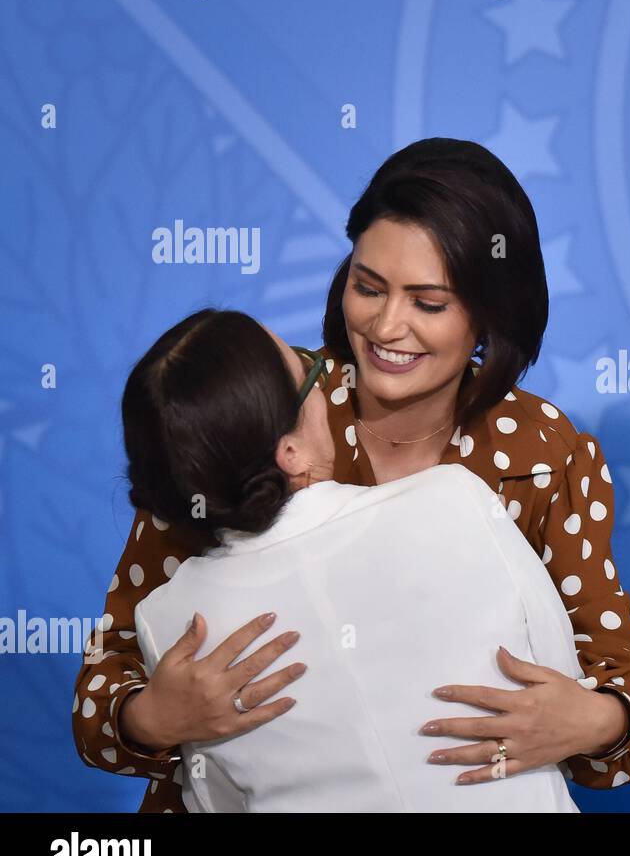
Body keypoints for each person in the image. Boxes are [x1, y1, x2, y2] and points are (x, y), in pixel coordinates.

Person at [73, 138, 630, 811]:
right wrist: (151, 719)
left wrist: (594, 721)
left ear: (490, 313)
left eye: (429, 302)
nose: (388, 325)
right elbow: (100, 696)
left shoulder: (544, 452)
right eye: (368, 286)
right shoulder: (253, 405)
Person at [127, 310, 582, 811]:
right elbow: (559, 681)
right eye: (307, 370)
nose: (326, 380)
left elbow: (214, 800)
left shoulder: (167, 617)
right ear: (290, 452)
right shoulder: (457, 499)